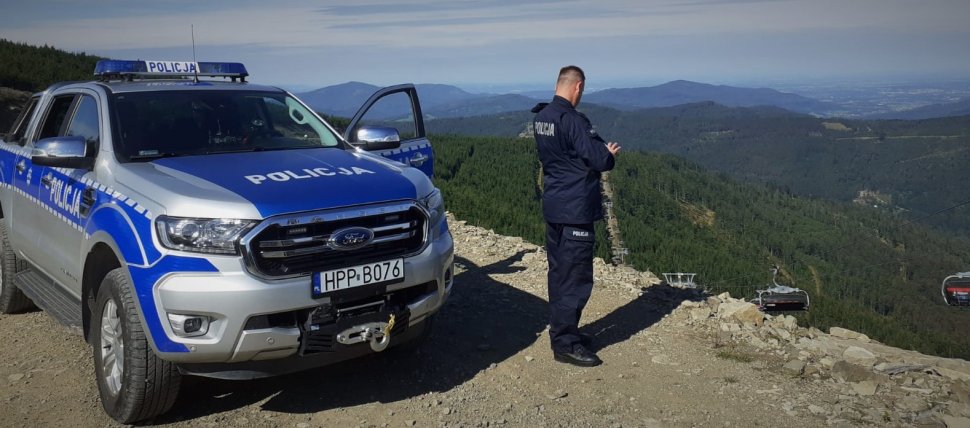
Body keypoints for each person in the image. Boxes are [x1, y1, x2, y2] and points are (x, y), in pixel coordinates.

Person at [532, 65, 621, 367]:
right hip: (575, 211)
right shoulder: (573, 120)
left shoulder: (542, 117)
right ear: (578, 87)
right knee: (575, 278)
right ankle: (565, 343)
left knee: (559, 274)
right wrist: (608, 153)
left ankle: (563, 332)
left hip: (555, 207)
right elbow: (600, 159)